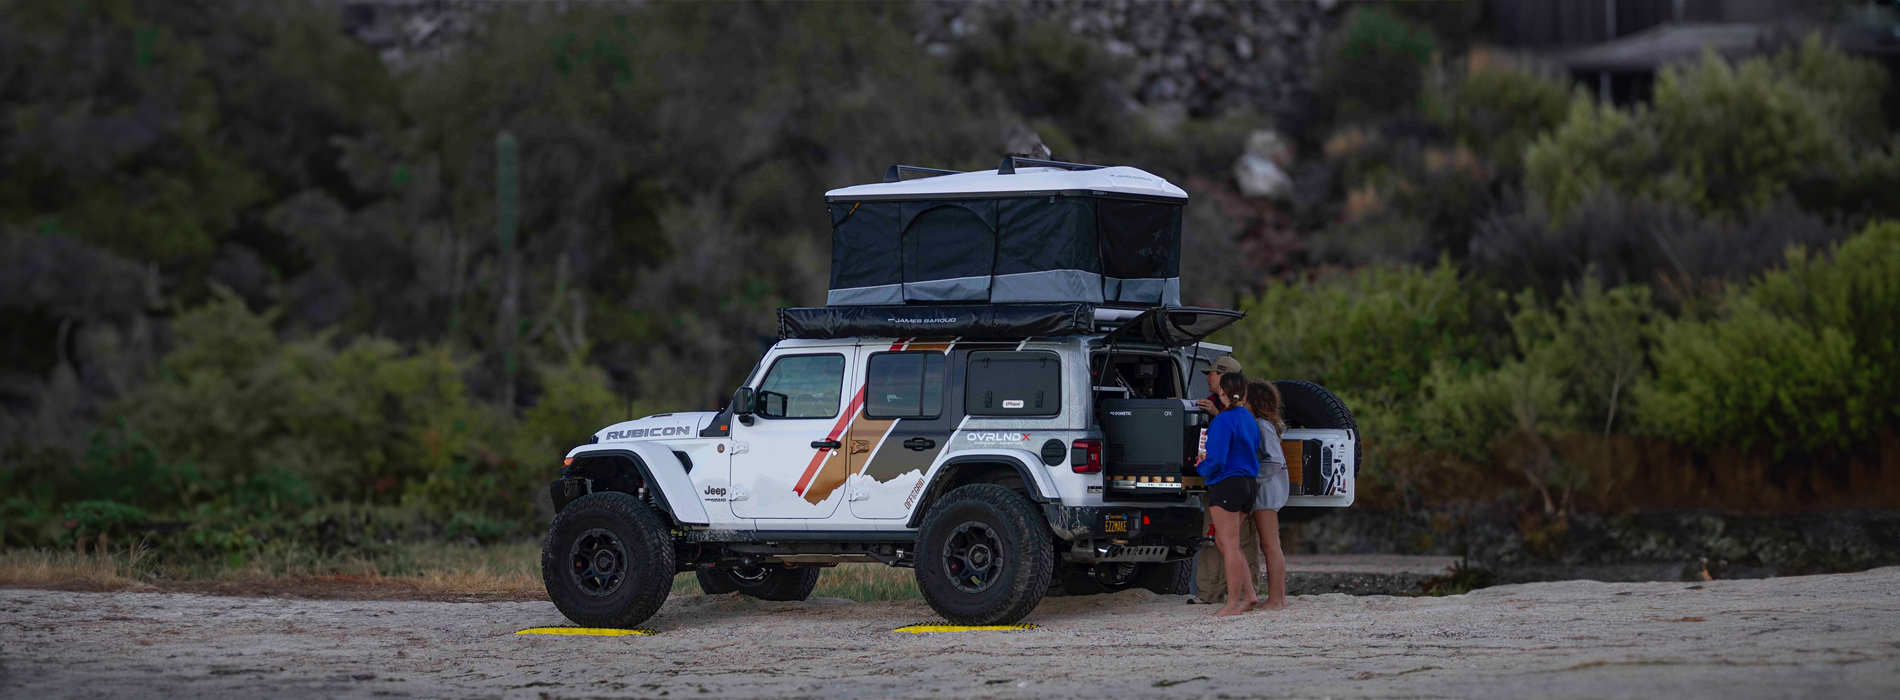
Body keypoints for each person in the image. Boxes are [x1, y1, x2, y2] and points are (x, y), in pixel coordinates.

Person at [1189, 356, 1259, 605]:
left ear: (1222, 390)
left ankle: (1232, 605)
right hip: (1249, 484)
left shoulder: (1222, 420)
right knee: (1232, 543)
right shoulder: (1248, 418)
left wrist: (1200, 467)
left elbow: (1216, 459)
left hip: (1227, 483)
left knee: (1227, 545)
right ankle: (1249, 594)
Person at [1246, 378, 1291, 611]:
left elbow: (1274, 460)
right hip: (1267, 492)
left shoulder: (1263, 425)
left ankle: (1276, 599)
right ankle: (1278, 598)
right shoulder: (1267, 424)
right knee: (1271, 545)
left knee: (1270, 545)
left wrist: (1251, 479)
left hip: (1267, 493)